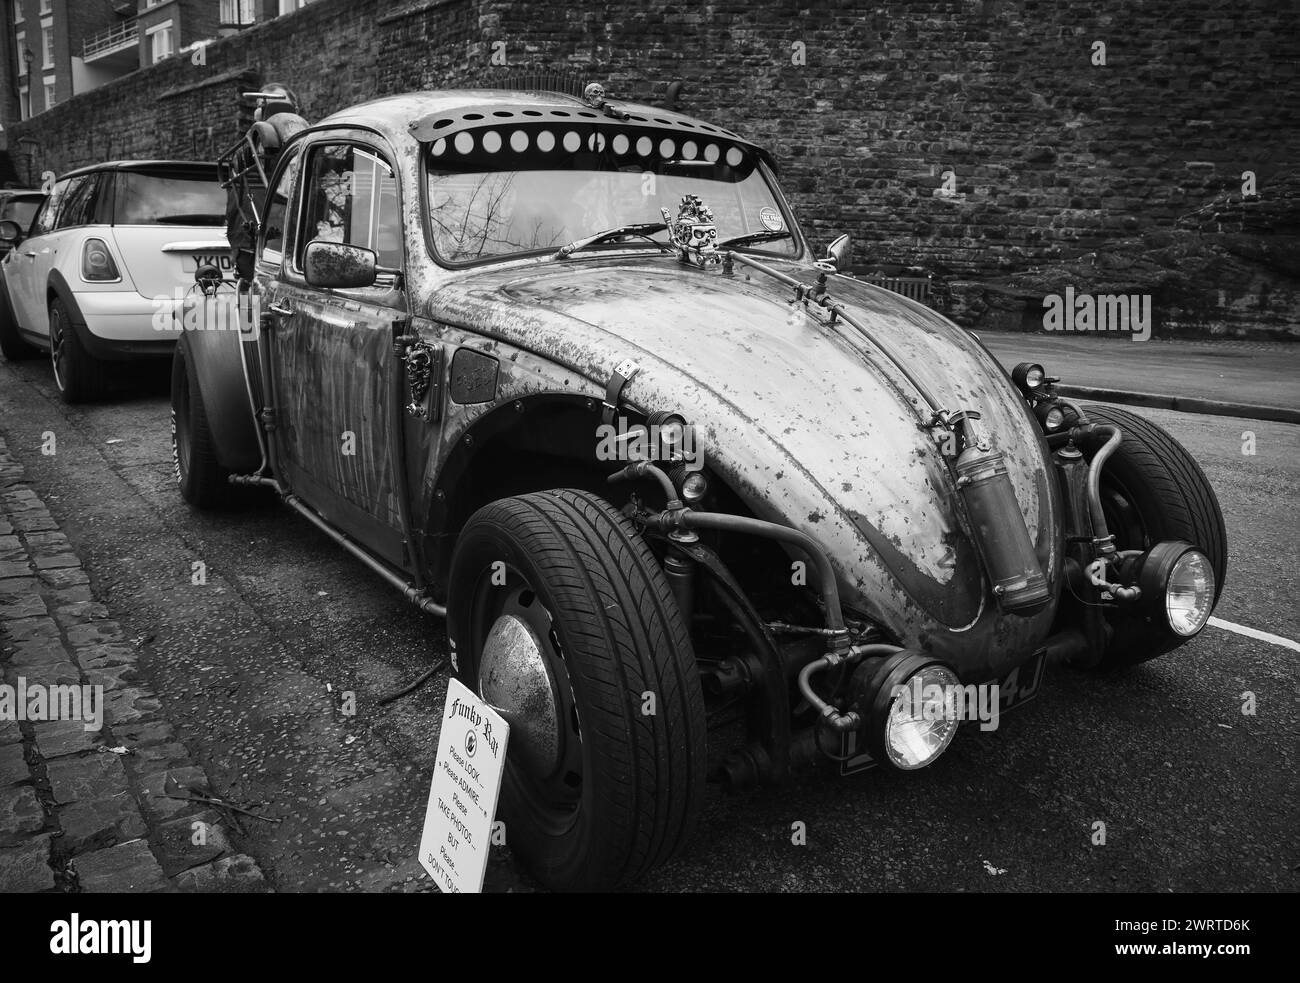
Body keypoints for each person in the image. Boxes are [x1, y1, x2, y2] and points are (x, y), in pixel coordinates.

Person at [226, 83, 301, 281]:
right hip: (254, 246)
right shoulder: (248, 150)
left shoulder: (307, 141)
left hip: (295, 245)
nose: (270, 108)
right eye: (262, 104)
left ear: (294, 109)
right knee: (253, 305)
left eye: (278, 104)